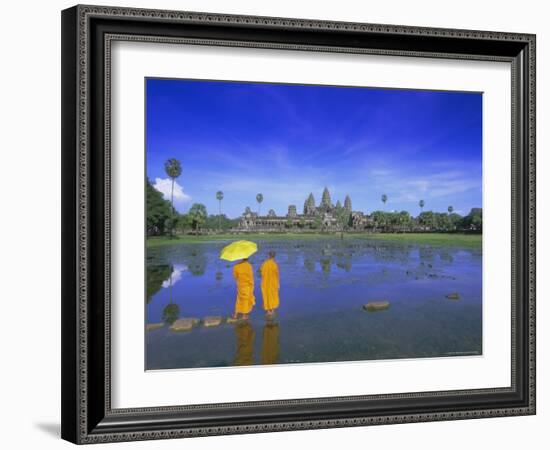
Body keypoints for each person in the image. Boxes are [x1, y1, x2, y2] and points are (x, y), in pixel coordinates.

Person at [260, 251, 280, 317]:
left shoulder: (264, 264)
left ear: (268, 255)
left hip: (265, 283)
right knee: (273, 296)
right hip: (273, 283)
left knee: (266, 296)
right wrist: (278, 284)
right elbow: (277, 275)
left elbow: (260, 273)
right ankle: (273, 311)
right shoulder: (275, 264)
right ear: (274, 256)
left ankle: (268, 311)